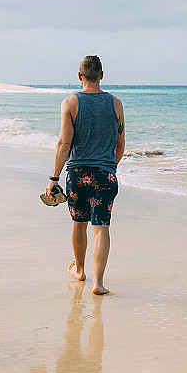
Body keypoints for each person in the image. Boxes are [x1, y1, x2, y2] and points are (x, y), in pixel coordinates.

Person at [45, 55, 125, 295]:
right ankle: (98, 284)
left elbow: (64, 143)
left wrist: (54, 178)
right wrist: (110, 168)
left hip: (78, 174)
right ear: (101, 75)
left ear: (79, 76)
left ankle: (79, 270)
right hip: (106, 174)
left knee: (79, 224)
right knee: (101, 227)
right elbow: (120, 146)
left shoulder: (70, 102)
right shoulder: (116, 103)